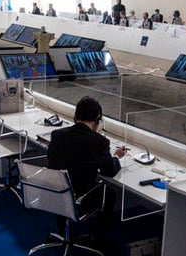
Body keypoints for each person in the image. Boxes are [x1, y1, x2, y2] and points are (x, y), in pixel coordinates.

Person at [46, 96, 126, 244]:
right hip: (80, 197)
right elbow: (109, 170)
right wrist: (116, 156)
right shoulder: (99, 142)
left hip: (54, 192)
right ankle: (99, 239)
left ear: (76, 116)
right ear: (97, 119)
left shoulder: (57, 135)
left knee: (66, 181)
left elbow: (52, 158)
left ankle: (61, 226)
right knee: (109, 194)